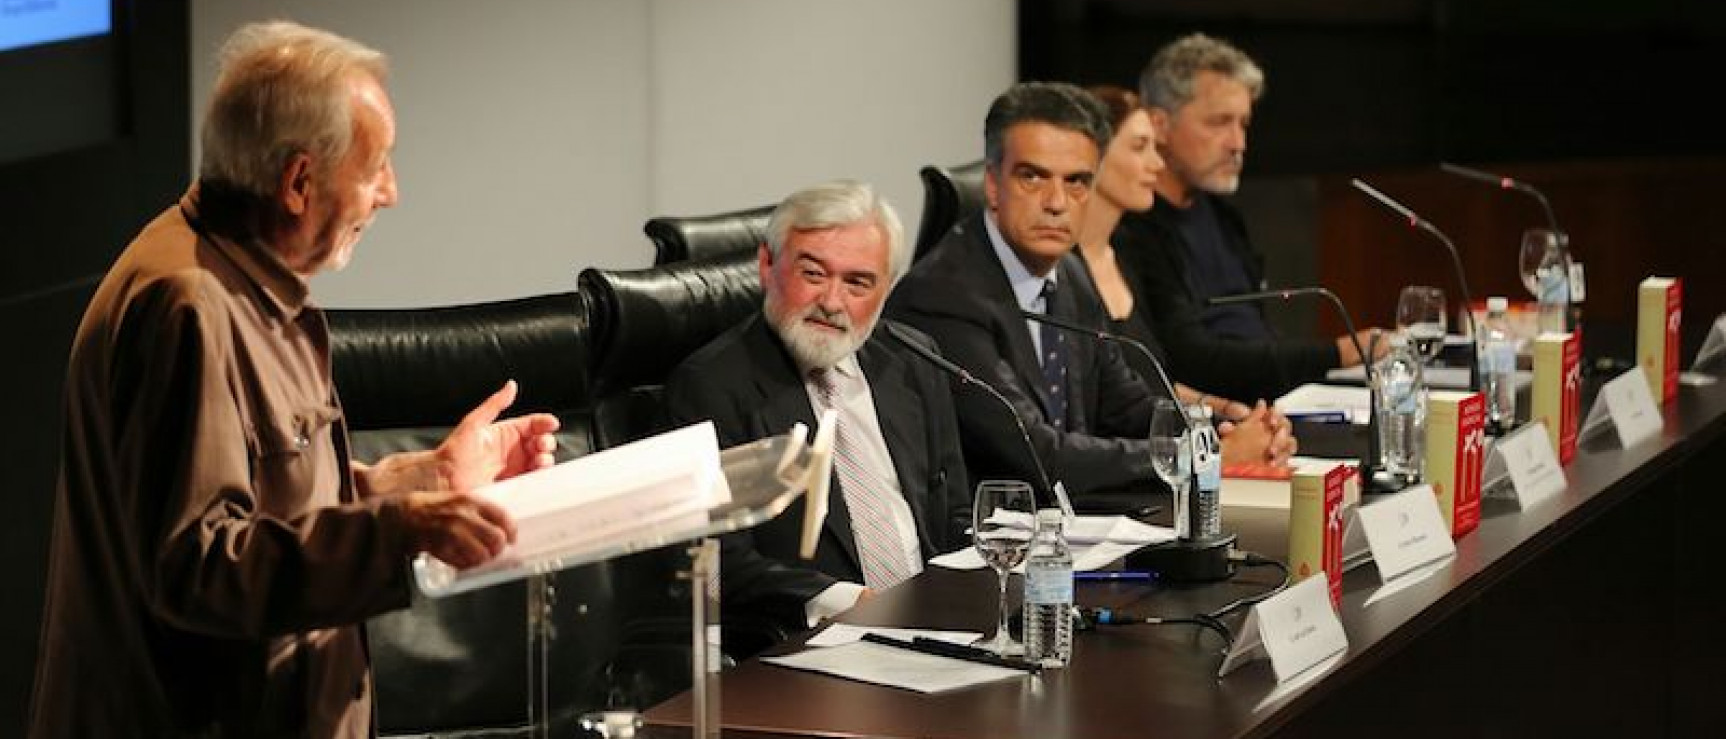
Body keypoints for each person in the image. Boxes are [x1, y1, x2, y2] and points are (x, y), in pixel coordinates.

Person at [30, 21, 560, 738]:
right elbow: (199, 564)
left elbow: (278, 501)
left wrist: (427, 479)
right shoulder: (187, 306)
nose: (391, 193)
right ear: (299, 181)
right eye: (376, 168)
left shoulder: (244, 280)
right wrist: (399, 531)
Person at [888, 82, 1294, 510]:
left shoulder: (1071, 274)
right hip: (991, 548)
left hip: (1075, 529)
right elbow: (1039, 453)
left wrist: (1226, 426)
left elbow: (1126, 406)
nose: (1057, 202)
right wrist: (1198, 456)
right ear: (992, 184)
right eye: (1032, 177)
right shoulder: (945, 296)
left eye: (1078, 181)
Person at [663, 180, 968, 635]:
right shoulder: (711, 387)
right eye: (813, 274)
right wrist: (844, 599)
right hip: (813, 642)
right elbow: (715, 559)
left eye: (858, 283)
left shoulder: (913, 362)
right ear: (767, 265)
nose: (831, 302)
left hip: (934, 627)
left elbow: (955, 513)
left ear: (887, 290)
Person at [1121, 33, 1383, 400]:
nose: (1238, 143)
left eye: (1242, 124)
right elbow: (1192, 359)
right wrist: (1337, 353)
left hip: (1273, 403)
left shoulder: (1222, 216)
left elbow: (1255, 332)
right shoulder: (1135, 230)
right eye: (1219, 122)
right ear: (1159, 125)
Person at [1075, 83, 1295, 432]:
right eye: (1139, 147)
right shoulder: (1061, 270)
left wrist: (1224, 411)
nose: (1156, 163)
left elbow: (1152, 386)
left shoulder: (1127, 253)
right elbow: (1105, 408)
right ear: (1091, 158)